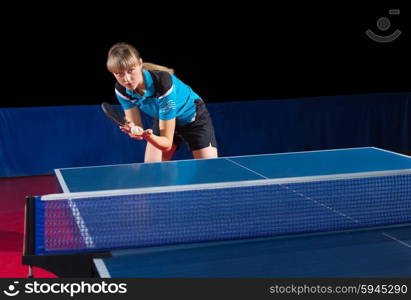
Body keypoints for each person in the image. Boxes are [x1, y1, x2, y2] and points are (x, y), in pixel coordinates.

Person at [107, 42, 218, 162]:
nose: (126, 79)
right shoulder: (121, 90)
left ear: (140, 63)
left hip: (192, 118)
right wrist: (135, 131)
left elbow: (166, 144)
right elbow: (136, 126)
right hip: (164, 119)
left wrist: (147, 136)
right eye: (119, 74)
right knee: (152, 172)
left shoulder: (162, 83)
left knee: (208, 170)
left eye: (131, 70)